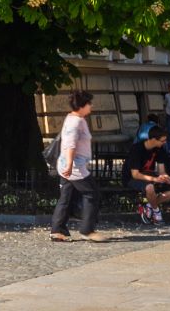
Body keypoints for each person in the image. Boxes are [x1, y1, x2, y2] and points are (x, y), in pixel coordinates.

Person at [48, 90, 104, 243]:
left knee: (66, 197)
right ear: (82, 105)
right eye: (89, 104)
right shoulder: (77, 121)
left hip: (69, 165)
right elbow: (70, 145)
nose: (91, 106)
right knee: (92, 193)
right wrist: (70, 165)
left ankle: (58, 230)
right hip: (74, 167)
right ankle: (87, 230)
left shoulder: (73, 118)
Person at [127, 123, 170, 223]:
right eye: (162, 141)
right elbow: (135, 174)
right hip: (134, 178)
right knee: (150, 187)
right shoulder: (136, 149)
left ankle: (149, 206)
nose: (164, 143)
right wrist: (155, 179)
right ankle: (156, 211)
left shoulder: (159, 149)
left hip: (151, 176)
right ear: (153, 139)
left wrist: (165, 177)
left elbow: (161, 171)